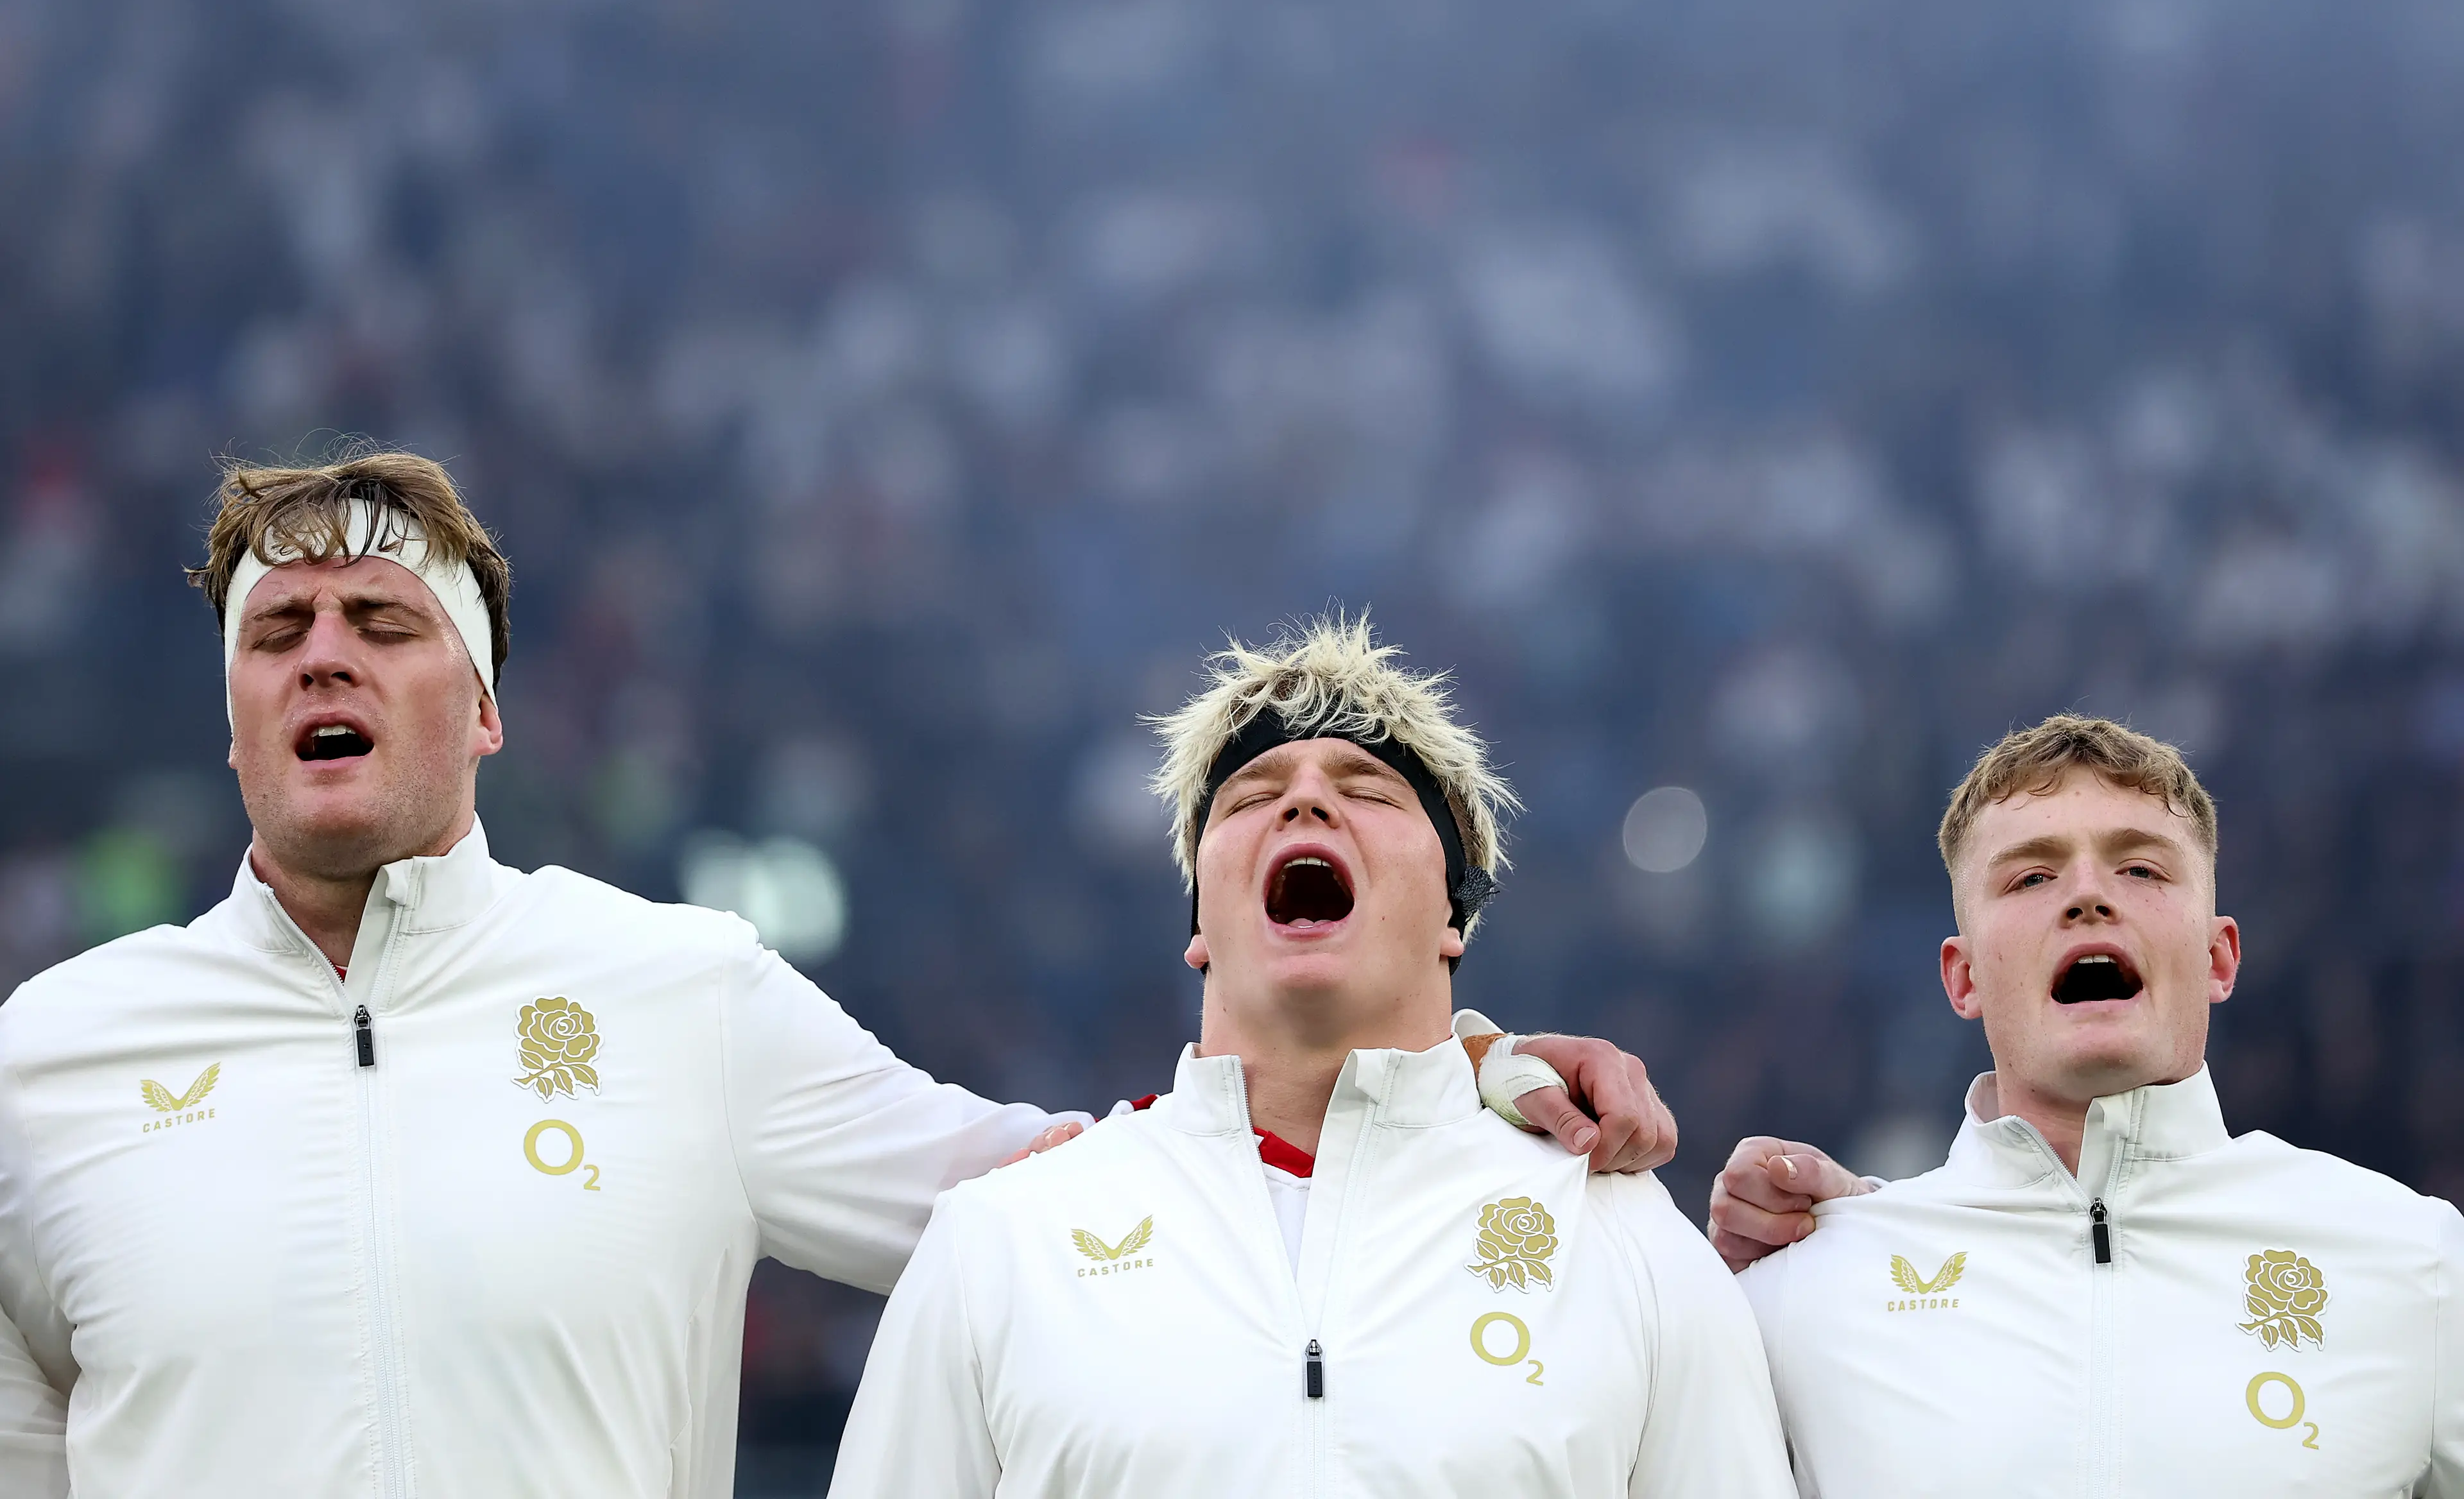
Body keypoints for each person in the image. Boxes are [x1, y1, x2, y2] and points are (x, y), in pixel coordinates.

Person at [0, 450, 1671, 1498]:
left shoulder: (679, 997)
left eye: (382, 621)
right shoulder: (49, 1064)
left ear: (489, 709)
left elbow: (1099, 1186)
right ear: (232, 719)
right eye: (277, 637)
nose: (326, 658)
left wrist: (1446, 1066)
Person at [832, 617, 1795, 1498]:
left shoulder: (1623, 1239)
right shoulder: (1007, 1240)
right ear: (1201, 924)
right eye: (1252, 796)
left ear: (1454, 917)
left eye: (1368, 791)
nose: (1303, 804)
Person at [1707, 715, 2464, 1495]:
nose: (2089, 896)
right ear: (1962, 978)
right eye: (2031, 877)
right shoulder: (1803, 1293)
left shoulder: (2418, 1262)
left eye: (2140, 869)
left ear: (2218, 956)